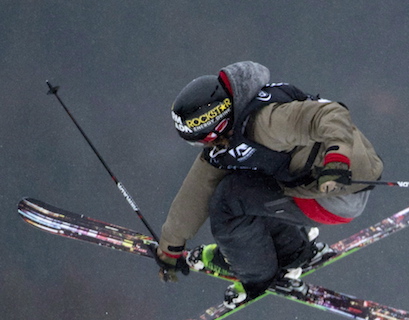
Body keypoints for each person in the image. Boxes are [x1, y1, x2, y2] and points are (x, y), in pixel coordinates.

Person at [156, 61, 383, 306]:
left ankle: (257, 275)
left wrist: (337, 159)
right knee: (244, 182)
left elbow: (330, 113)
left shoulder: (267, 122)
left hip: (337, 189)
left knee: (229, 201)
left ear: (216, 126)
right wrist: (171, 246)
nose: (204, 147)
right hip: (321, 182)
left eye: (201, 141)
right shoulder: (230, 137)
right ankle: (291, 252)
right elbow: (197, 191)